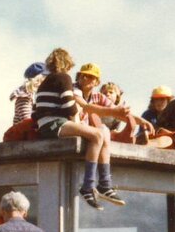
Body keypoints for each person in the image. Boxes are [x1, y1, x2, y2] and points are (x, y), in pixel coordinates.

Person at [31, 49, 132, 210]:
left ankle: (105, 184)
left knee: (102, 133)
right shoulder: (64, 78)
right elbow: (69, 107)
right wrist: (79, 124)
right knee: (97, 135)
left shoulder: (46, 80)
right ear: (67, 63)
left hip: (47, 123)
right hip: (54, 123)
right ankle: (89, 185)